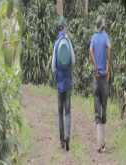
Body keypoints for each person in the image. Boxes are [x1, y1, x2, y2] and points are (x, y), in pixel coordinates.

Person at [52, 16, 75, 151]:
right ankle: (67, 136)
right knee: (68, 111)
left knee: (60, 111)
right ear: (64, 27)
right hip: (68, 82)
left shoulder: (56, 44)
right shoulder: (68, 41)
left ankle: (61, 139)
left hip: (59, 83)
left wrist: (58, 75)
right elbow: (73, 60)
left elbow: (53, 67)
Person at [89, 15, 111, 153]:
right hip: (104, 77)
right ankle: (102, 143)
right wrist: (108, 65)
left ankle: (99, 144)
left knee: (97, 108)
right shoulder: (105, 37)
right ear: (103, 25)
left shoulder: (94, 38)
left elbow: (90, 50)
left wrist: (95, 66)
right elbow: (110, 47)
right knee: (104, 108)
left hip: (96, 76)